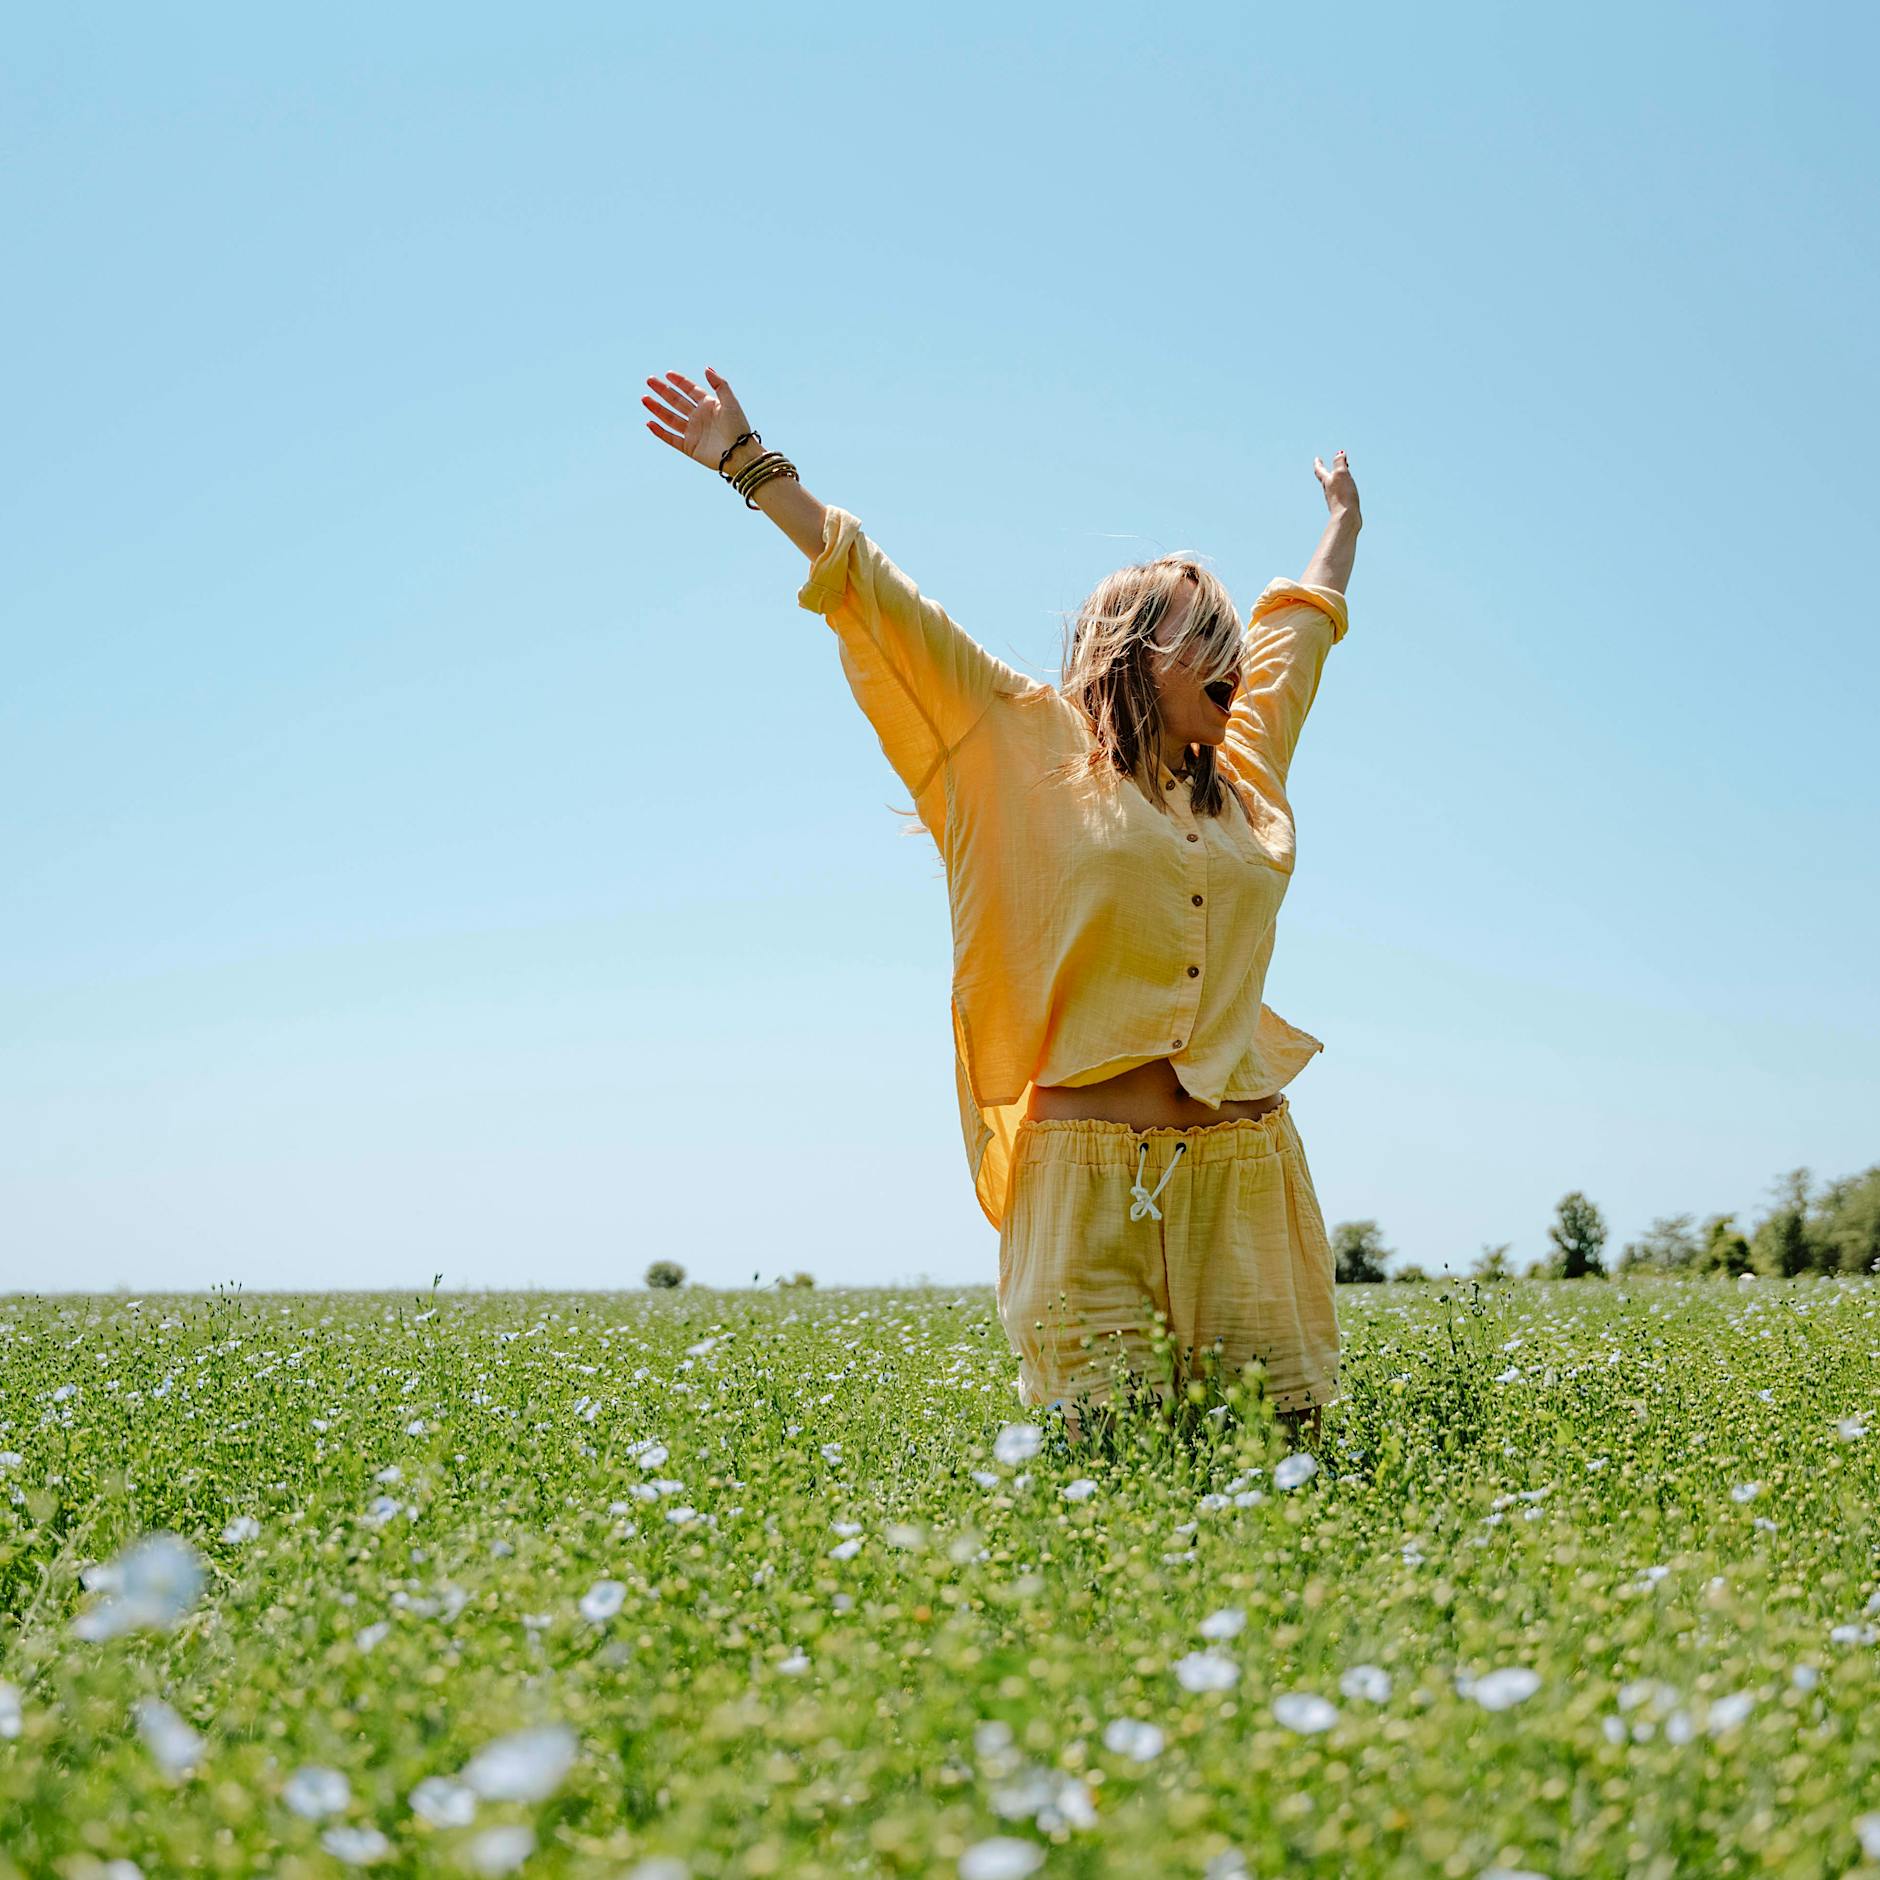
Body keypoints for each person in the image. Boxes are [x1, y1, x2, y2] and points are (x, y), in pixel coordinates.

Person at [643, 367, 1362, 1450]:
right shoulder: (1017, 741)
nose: (1231, 655)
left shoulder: (1243, 770)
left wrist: (1340, 527)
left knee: (1286, 1461)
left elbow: (1296, 639)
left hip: (1246, 1180)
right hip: (1084, 1193)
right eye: (1200, 635)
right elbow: (877, 592)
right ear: (1132, 653)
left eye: (1229, 635)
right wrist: (752, 467)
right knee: (1106, 1471)